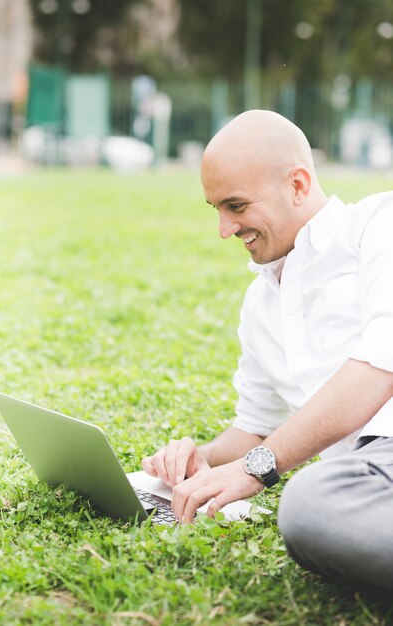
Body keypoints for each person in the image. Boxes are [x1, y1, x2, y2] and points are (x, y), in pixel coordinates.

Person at [141, 110, 393, 589]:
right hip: (368, 480)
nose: (223, 228)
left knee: (310, 504)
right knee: (317, 504)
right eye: (215, 208)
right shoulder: (261, 300)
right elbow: (255, 427)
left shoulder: (380, 225)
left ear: (297, 184)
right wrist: (208, 459)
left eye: (236, 205)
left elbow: (381, 367)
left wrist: (257, 469)